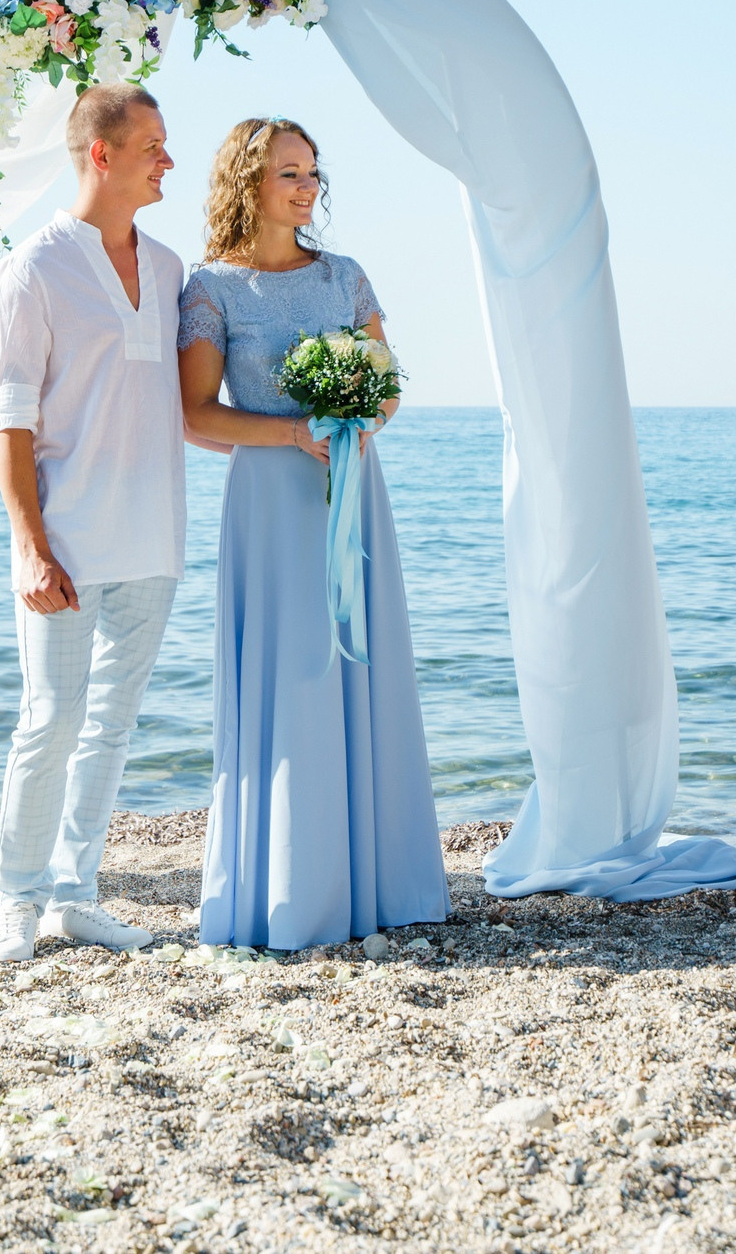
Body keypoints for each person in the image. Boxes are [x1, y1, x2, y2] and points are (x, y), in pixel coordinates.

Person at [177, 118, 449, 951]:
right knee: (290, 676)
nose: (307, 188)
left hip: (352, 489)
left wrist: (359, 418)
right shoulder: (212, 287)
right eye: (289, 173)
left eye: (313, 174)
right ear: (248, 183)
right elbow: (194, 414)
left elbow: (388, 385)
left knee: (364, 669)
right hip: (270, 502)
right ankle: (290, 886)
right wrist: (292, 432)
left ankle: (381, 883)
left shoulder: (346, 276)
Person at [0, 84, 187, 962]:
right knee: (50, 721)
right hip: (65, 543)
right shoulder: (35, 268)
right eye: (152, 146)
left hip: (154, 540)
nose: (167, 159)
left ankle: (76, 892)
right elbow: (9, 418)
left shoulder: (172, 270)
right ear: (101, 154)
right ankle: (15, 902)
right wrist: (29, 543)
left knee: (111, 726)